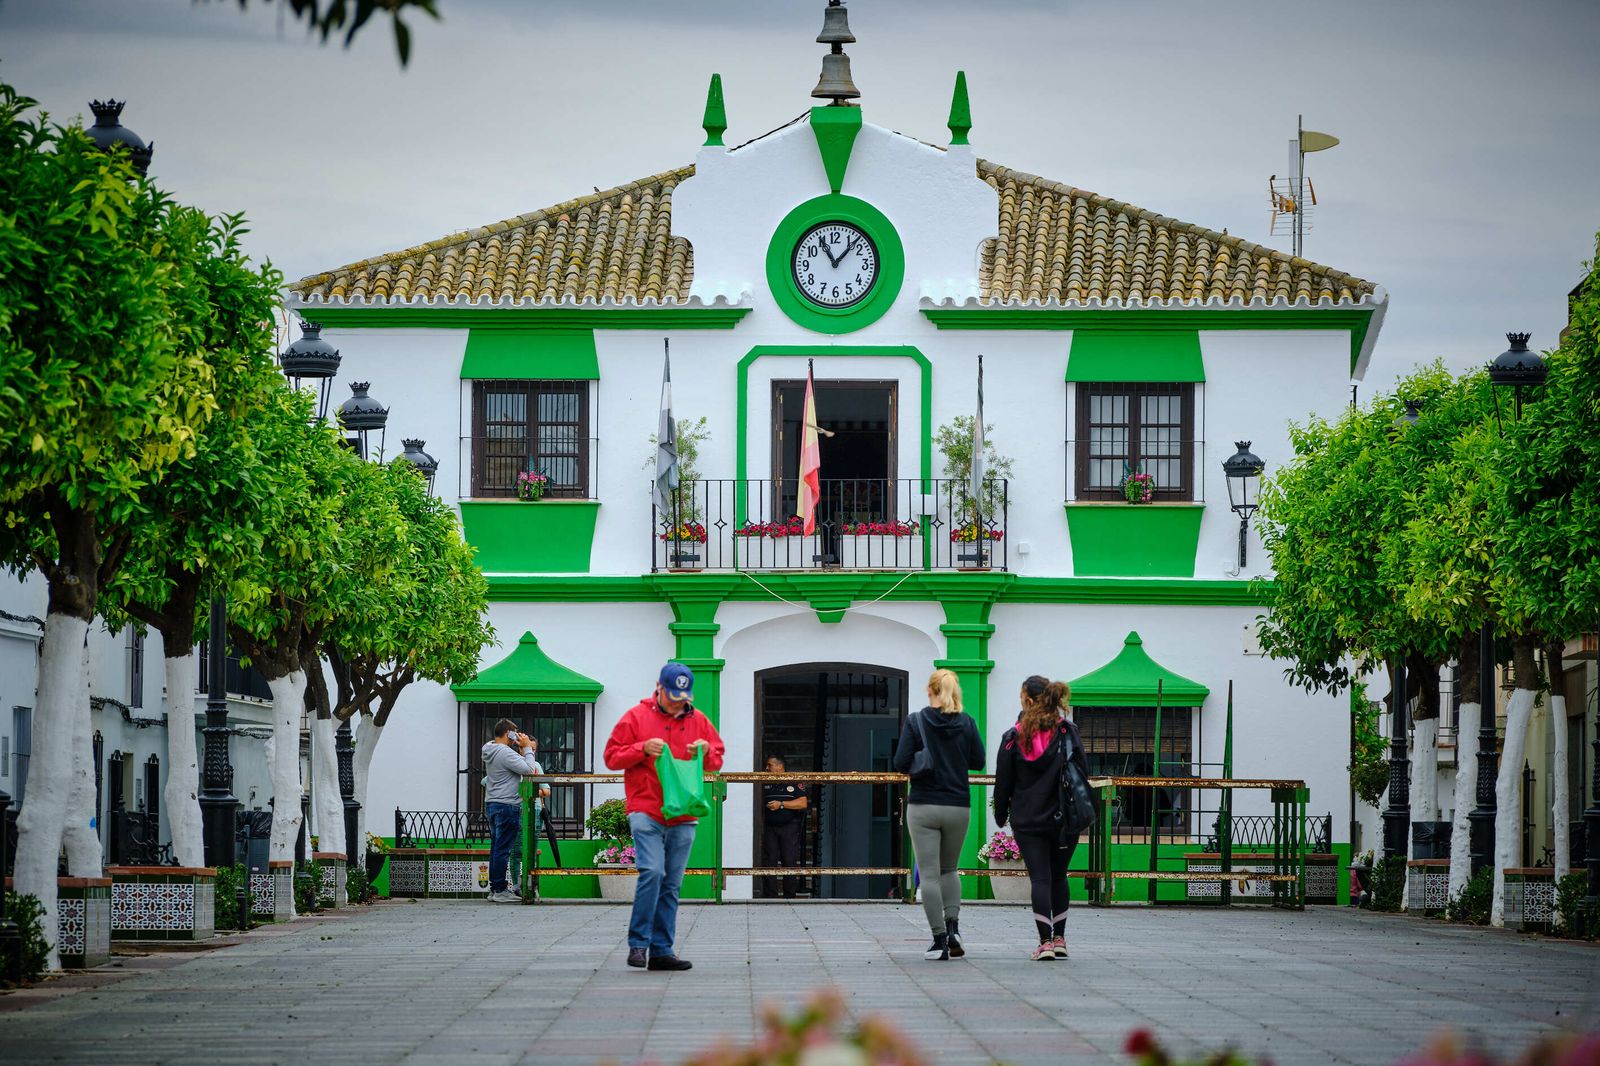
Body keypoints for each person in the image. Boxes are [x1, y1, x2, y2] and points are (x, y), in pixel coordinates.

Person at [604, 662, 726, 971]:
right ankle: (638, 944)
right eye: (673, 695)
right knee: (653, 873)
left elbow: (717, 758)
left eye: (683, 696)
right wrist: (642, 748)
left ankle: (661, 950)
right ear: (659, 687)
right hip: (646, 808)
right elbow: (611, 757)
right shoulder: (636, 716)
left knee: (671, 883)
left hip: (684, 813)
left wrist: (706, 750)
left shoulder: (698, 720)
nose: (678, 702)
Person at [993, 675, 1090, 960]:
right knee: (1059, 876)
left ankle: (1044, 942)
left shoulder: (1014, 736)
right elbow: (1083, 769)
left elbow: (1004, 781)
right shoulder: (1067, 731)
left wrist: (1001, 814)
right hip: (1065, 818)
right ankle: (1060, 939)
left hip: (1028, 819)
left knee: (1040, 879)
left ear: (1027, 700)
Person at [892, 668, 984, 961]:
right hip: (958, 805)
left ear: (930, 690)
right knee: (949, 870)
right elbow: (978, 761)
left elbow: (900, 762)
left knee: (929, 875)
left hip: (923, 805)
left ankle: (939, 940)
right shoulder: (967, 722)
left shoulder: (916, 721)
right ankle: (954, 929)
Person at [481, 720, 549, 903]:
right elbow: (529, 770)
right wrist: (527, 748)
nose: (516, 738)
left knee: (496, 848)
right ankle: (500, 890)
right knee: (503, 850)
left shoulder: (490, 749)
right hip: (507, 806)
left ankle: (495, 889)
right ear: (508, 733)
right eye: (514, 734)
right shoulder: (504, 752)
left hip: (493, 804)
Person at [761, 754, 808, 899]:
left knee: (789, 861)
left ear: (780, 766)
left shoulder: (793, 780)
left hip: (789, 827)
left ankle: (790, 897)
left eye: (770, 765)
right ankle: (770, 897)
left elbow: (803, 803)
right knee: (769, 862)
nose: (766, 768)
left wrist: (781, 804)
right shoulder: (765, 781)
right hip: (770, 827)